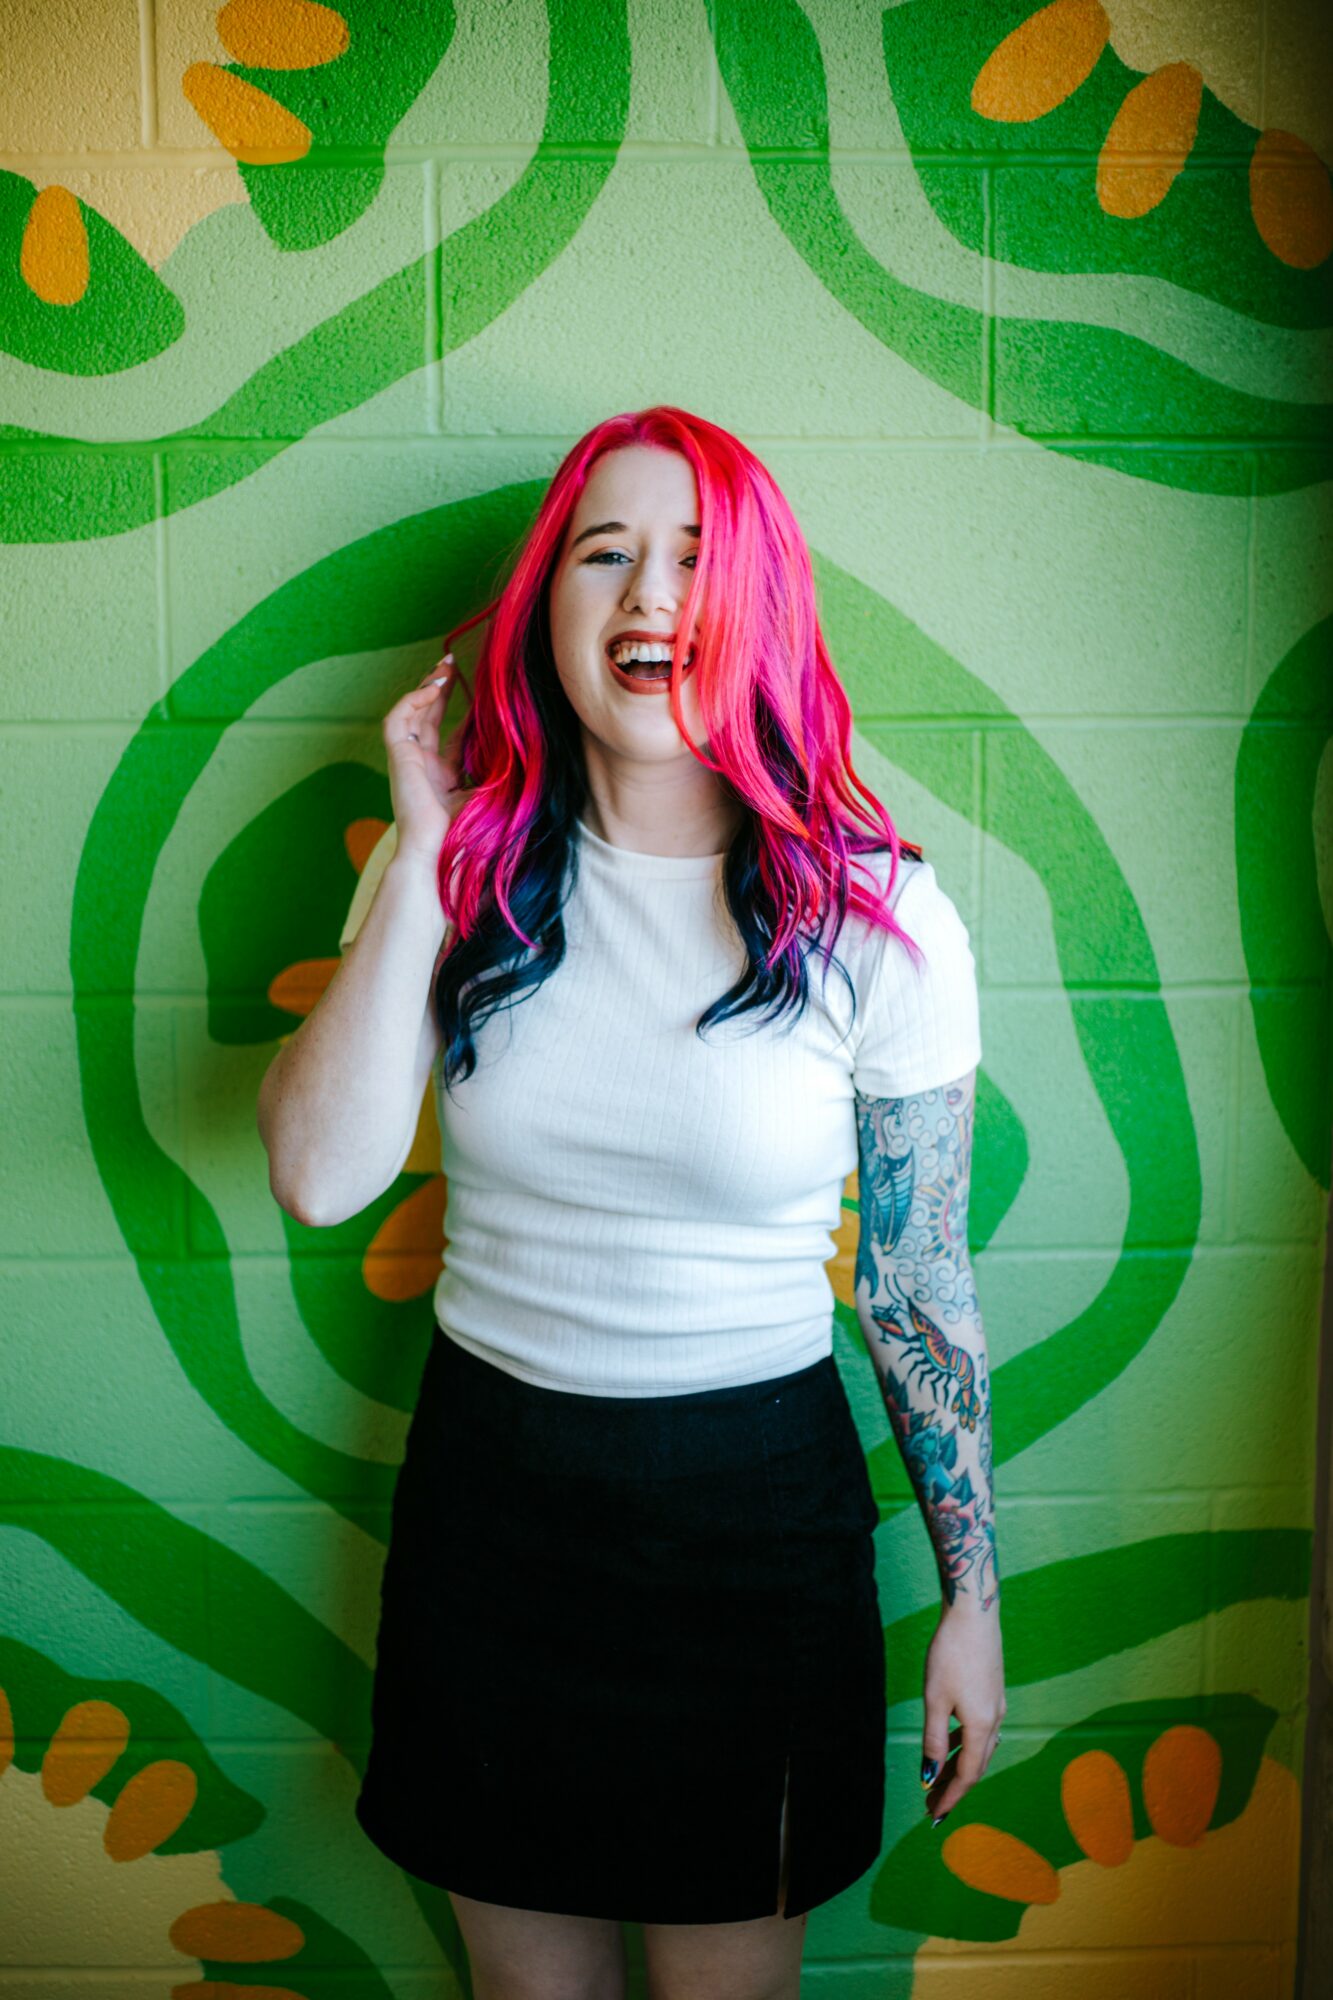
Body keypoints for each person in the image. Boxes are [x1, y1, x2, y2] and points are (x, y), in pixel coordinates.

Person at [257, 405, 1005, 2000]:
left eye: (694, 556)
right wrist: (422, 846)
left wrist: (972, 1599)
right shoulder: (458, 879)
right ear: (548, 608)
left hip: (754, 1526)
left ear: (760, 609)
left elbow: (918, 1279)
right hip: (493, 1507)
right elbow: (317, 1178)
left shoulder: (878, 920)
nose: (651, 594)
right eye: (605, 555)